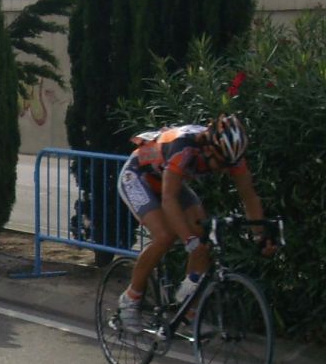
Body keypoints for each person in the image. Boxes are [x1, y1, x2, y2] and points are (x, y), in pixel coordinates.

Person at [115, 114, 275, 333]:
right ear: (208, 148)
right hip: (138, 177)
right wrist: (188, 239)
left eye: (229, 164)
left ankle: (189, 310)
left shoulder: (232, 155)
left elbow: (249, 196)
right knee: (165, 236)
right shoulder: (183, 146)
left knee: (203, 235)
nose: (224, 169)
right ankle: (130, 298)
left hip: (168, 180)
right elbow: (169, 199)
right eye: (220, 162)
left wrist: (260, 235)